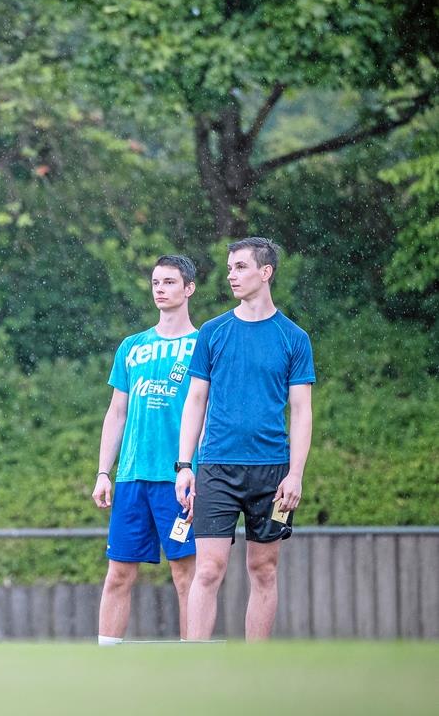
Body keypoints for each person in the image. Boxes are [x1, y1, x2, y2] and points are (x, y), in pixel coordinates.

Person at [175, 237, 314, 641]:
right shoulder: (213, 332)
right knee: (208, 568)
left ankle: (256, 667)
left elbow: (302, 411)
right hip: (216, 466)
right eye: (230, 267)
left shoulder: (294, 338)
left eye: (240, 267)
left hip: (272, 472)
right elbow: (195, 400)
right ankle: (194, 664)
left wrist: (296, 474)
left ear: (265, 272)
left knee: (264, 569)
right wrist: (185, 466)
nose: (231, 275)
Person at [92, 255, 199, 645]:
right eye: (156, 282)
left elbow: (208, 413)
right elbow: (116, 412)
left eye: (169, 282)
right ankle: (105, 662)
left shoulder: (202, 345)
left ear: (188, 289)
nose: (160, 289)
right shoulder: (132, 346)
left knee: (186, 575)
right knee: (118, 573)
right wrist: (105, 472)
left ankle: (194, 663)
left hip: (178, 481)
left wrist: (198, 472)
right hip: (132, 477)